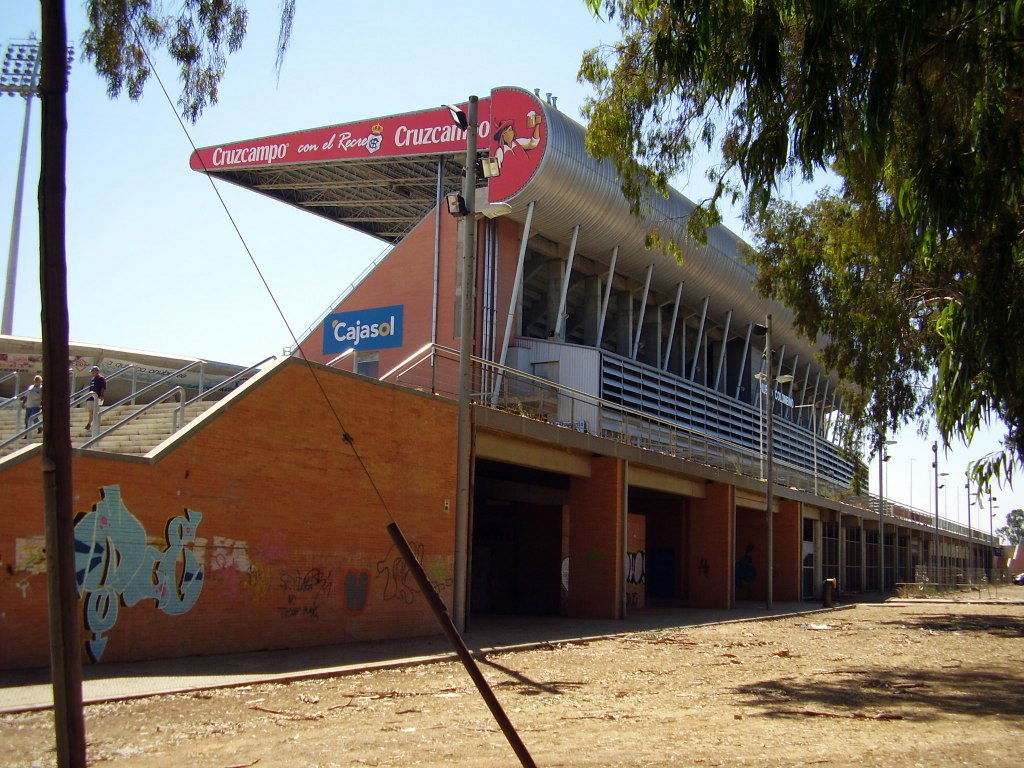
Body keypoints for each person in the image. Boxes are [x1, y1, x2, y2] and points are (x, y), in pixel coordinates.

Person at [84, 365, 106, 431]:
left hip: (97, 397)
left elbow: (103, 387)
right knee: (90, 411)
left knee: (95, 411)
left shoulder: (101, 378)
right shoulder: (92, 379)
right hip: (91, 397)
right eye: (92, 372)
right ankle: (90, 423)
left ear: (97, 371)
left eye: (93, 372)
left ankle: (90, 424)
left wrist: (101, 395)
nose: (92, 373)